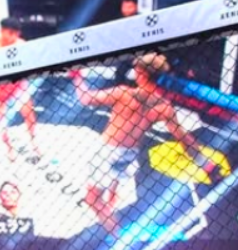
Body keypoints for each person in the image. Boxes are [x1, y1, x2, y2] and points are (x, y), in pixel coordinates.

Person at [73, 53, 216, 234]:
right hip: (130, 155)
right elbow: (184, 139)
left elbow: (86, 98)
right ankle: (111, 208)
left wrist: (76, 77)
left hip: (108, 152)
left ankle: (116, 237)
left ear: (141, 72)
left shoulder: (124, 93)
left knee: (93, 199)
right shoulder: (164, 106)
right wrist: (205, 164)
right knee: (114, 181)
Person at [0, 18, 40, 160]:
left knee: (29, 113)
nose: (14, 37)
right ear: (2, 31)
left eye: (16, 34)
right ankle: (9, 148)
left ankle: (34, 143)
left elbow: (28, 66)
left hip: (17, 85)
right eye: (11, 33)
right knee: (1, 121)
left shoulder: (20, 44)